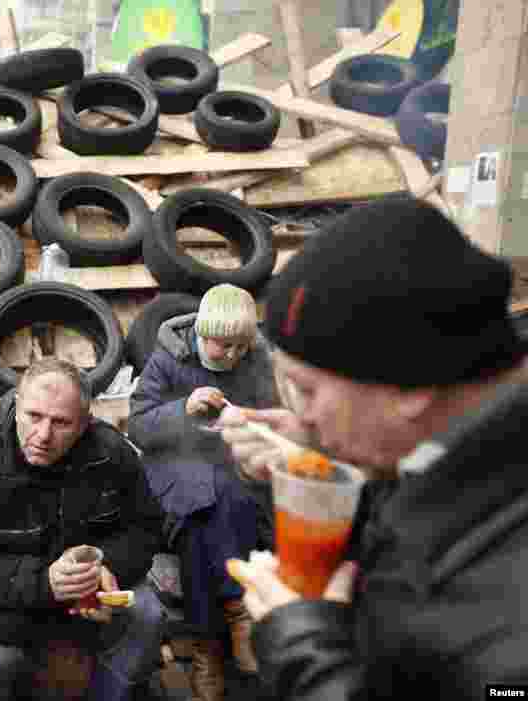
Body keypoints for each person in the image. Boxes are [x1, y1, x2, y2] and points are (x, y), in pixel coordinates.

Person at [219, 196, 528, 700]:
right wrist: (331, 462)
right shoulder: (449, 446)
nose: (305, 416)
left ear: (409, 386)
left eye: (310, 391)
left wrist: (305, 651)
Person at [0, 358, 166, 701]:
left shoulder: (110, 452)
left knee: (147, 614)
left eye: (61, 423)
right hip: (4, 603)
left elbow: (146, 527)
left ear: (84, 423)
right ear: (17, 406)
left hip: (88, 591)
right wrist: (45, 581)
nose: (42, 435)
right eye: (33, 417)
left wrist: (103, 563)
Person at [128, 284, 280, 701]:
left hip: (234, 471)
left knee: (210, 510)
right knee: (203, 496)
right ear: (201, 332)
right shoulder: (169, 357)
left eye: (240, 347)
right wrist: (183, 410)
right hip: (174, 471)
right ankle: (238, 612)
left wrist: (247, 422)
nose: (231, 356)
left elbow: (273, 414)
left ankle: (205, 652)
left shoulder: (256, 359)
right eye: (222, 346)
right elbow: (138, 426)